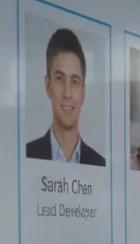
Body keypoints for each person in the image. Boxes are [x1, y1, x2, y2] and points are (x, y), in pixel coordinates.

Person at [25, 28, 106, 166]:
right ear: (47, 85)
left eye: (74, 81)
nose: (67, 93)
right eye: (59, 78)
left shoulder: (99, 164)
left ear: (83, 92)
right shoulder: (27, 153)